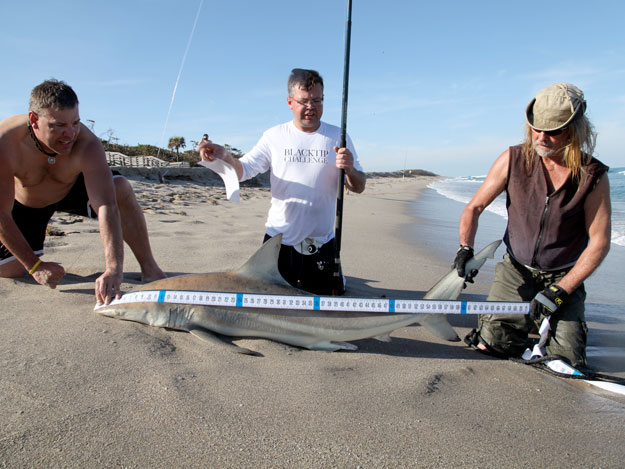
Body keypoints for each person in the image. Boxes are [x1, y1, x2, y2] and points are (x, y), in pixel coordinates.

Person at [455, 83, 611, 369]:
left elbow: (599, 242)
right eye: (535, 128)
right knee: (491, 345)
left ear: (575, 130)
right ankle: (525, 323)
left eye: (553, 131)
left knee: (567, 362)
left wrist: (562, 290)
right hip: (516, 271)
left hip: (563, 277)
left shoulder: (593, 176)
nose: (541, 138)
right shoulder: (513, 158)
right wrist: (466, 248)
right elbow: (474, 207)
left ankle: (547, 323)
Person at [197, 68, 366, 295]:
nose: (311, 107)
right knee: (270, 305)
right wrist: (225, 156)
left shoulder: (338, 136)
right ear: (290, 102)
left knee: (324, 309)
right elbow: (243, 171)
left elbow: (358, 186)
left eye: (317, 100)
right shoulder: (273, 136)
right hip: (278, 244)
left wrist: (350, 169)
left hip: (322, 243)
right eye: (304, 101)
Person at [0, 79, 165, 305]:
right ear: (33, 120)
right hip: (27, 204)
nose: (70, 134)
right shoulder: (6, 142)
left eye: (75, 123)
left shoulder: (86, 143)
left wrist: (113, 269)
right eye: (58, 125)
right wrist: (34, 266)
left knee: (119, 187)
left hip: (70, 190)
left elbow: (106, 205)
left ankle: (150, 268)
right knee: (9, 270)